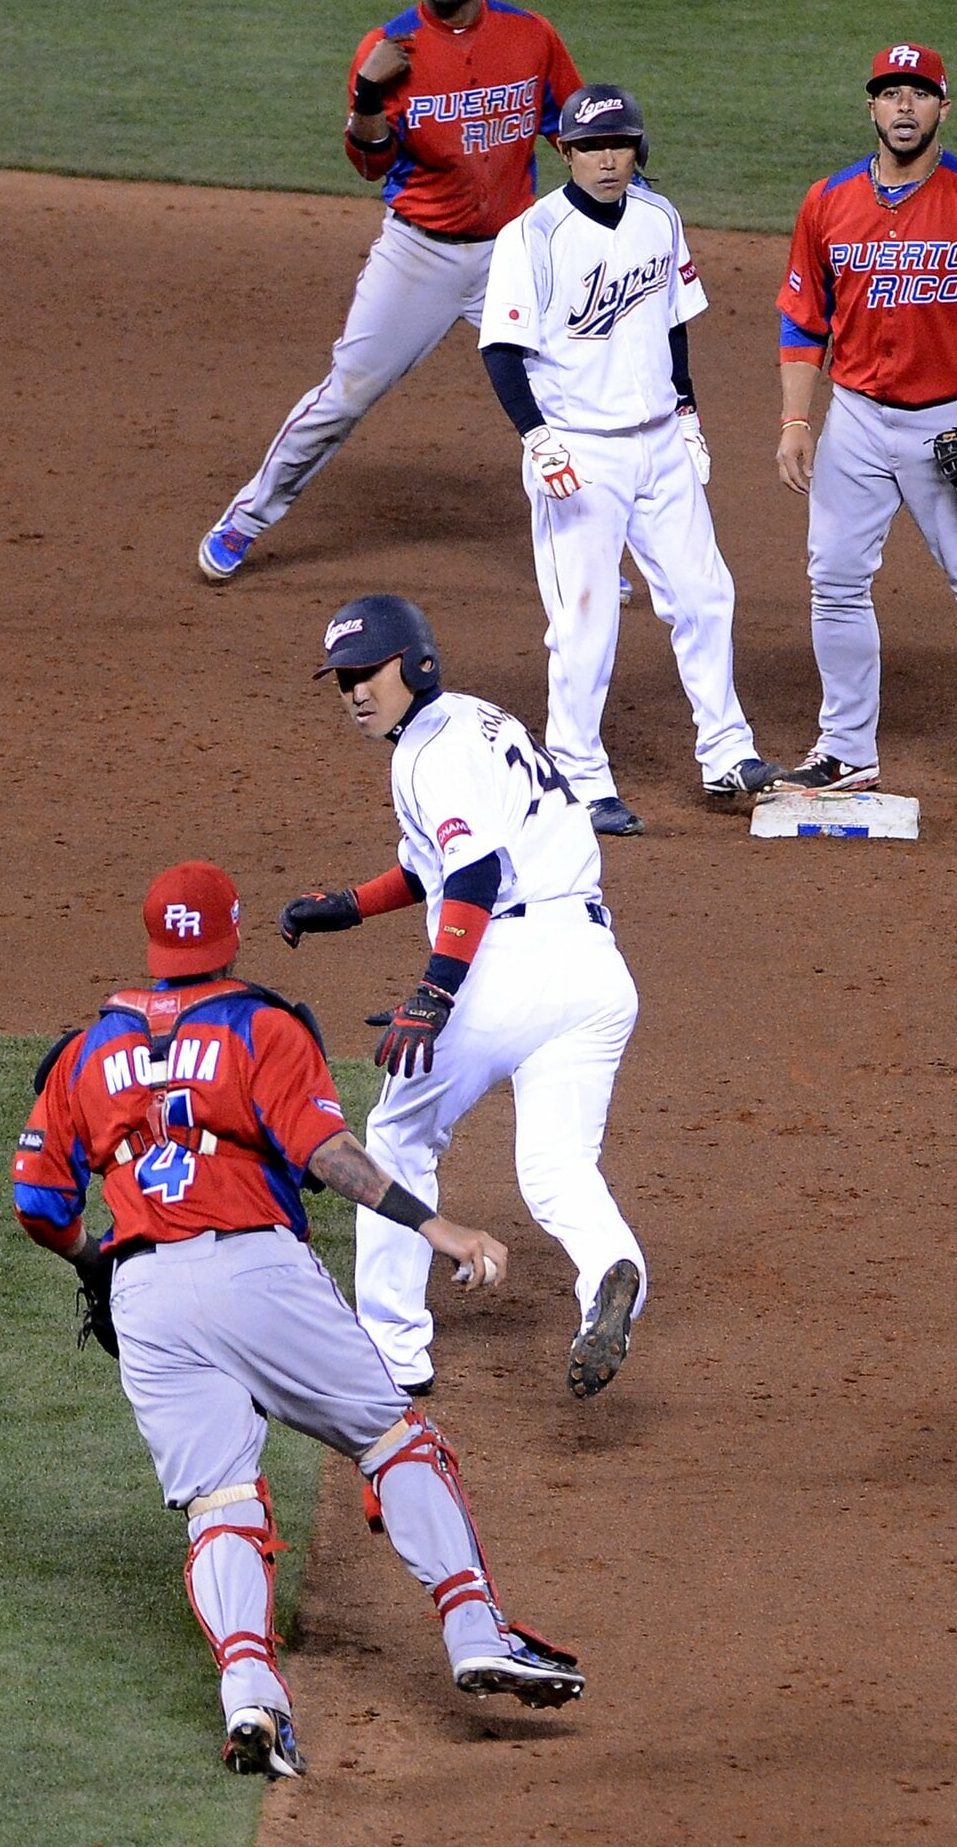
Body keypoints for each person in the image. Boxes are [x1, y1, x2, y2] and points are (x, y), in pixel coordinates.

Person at [11, 860, 585, 1784]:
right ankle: (476, 1628)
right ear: (230, 933)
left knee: (221, 1504)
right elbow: (325, 1151)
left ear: (154, 940)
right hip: (255, 1267)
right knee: (396, 1439)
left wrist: (100, 1260)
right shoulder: (261, 1024)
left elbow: (36, 1202)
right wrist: (436, 1226)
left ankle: (251, 1699)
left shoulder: (85, 1052)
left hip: (148, 1294)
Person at [279, 594, 646, 1399]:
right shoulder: (476, 724)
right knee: (555, 1165)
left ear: (415, 664)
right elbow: (432, 867)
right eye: (342, 680)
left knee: (398, 1132)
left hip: (507, 960)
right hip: (592, 966)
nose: (354, 693)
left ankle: (389, 1349)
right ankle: (611, 1272)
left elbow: (476, 874)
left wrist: (434, 994)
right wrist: (348, 903)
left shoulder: (426, 754)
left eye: (368, 672)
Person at [197, 0, 581, 583]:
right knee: (346, 393)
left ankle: (582, 549)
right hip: (419, 254)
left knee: (565, 399)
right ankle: (244, 520)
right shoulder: (389, 48)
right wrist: (369, 100)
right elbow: (372, 163)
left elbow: (569, 128)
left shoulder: (531, 36)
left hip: (511, 254)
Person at [476, 84, 783, 836]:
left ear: (637, 149)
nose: (607, 159)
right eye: (590, 147)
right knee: (586, 622)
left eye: (619, 144)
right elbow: (501, 349)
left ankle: (726, 752)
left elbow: (673, 323)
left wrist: (686, 410)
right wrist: (535, 436)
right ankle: (578, 773)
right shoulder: (533, 235)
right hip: (579, 452)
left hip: (657, 444)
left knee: (706, 596)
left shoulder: (659, 218)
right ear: (563, 152)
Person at [773, 43, 957, 813]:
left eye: (920, 94)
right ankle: (844, 750)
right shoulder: (827, 200)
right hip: (857, 422)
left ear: (944, 108)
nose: (905, 107)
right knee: (833, 580)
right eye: (890, 93)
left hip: (953, 421)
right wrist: (798, 419)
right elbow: (804, 323)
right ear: (870, 107)